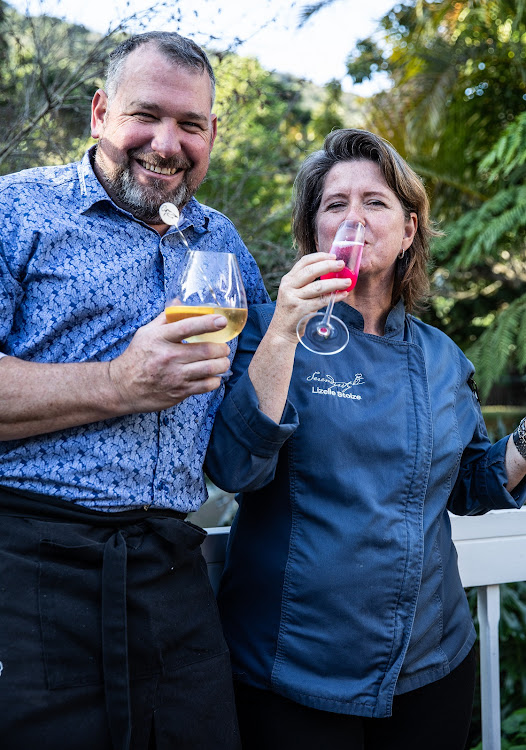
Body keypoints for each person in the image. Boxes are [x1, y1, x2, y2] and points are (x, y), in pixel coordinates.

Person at [205, 128, 526, 750]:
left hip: (431, 665)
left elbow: (466, 483)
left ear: (408, 230)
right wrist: (283, 334)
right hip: (294, 672)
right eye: (335, 205)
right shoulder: (268, 332)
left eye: (374, 202)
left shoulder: (443, 357)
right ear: (313, 234)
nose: (354, 218)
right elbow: (235, 469)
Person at [0, 31, 269, 750]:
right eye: (145, 115)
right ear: (98, 112)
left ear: (212, 134)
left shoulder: (224, 245)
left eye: (190, 125)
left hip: (171, 575)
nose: (166, 142)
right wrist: (120, 382)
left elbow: (250, 432)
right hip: (27, 569)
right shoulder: (16, 212)